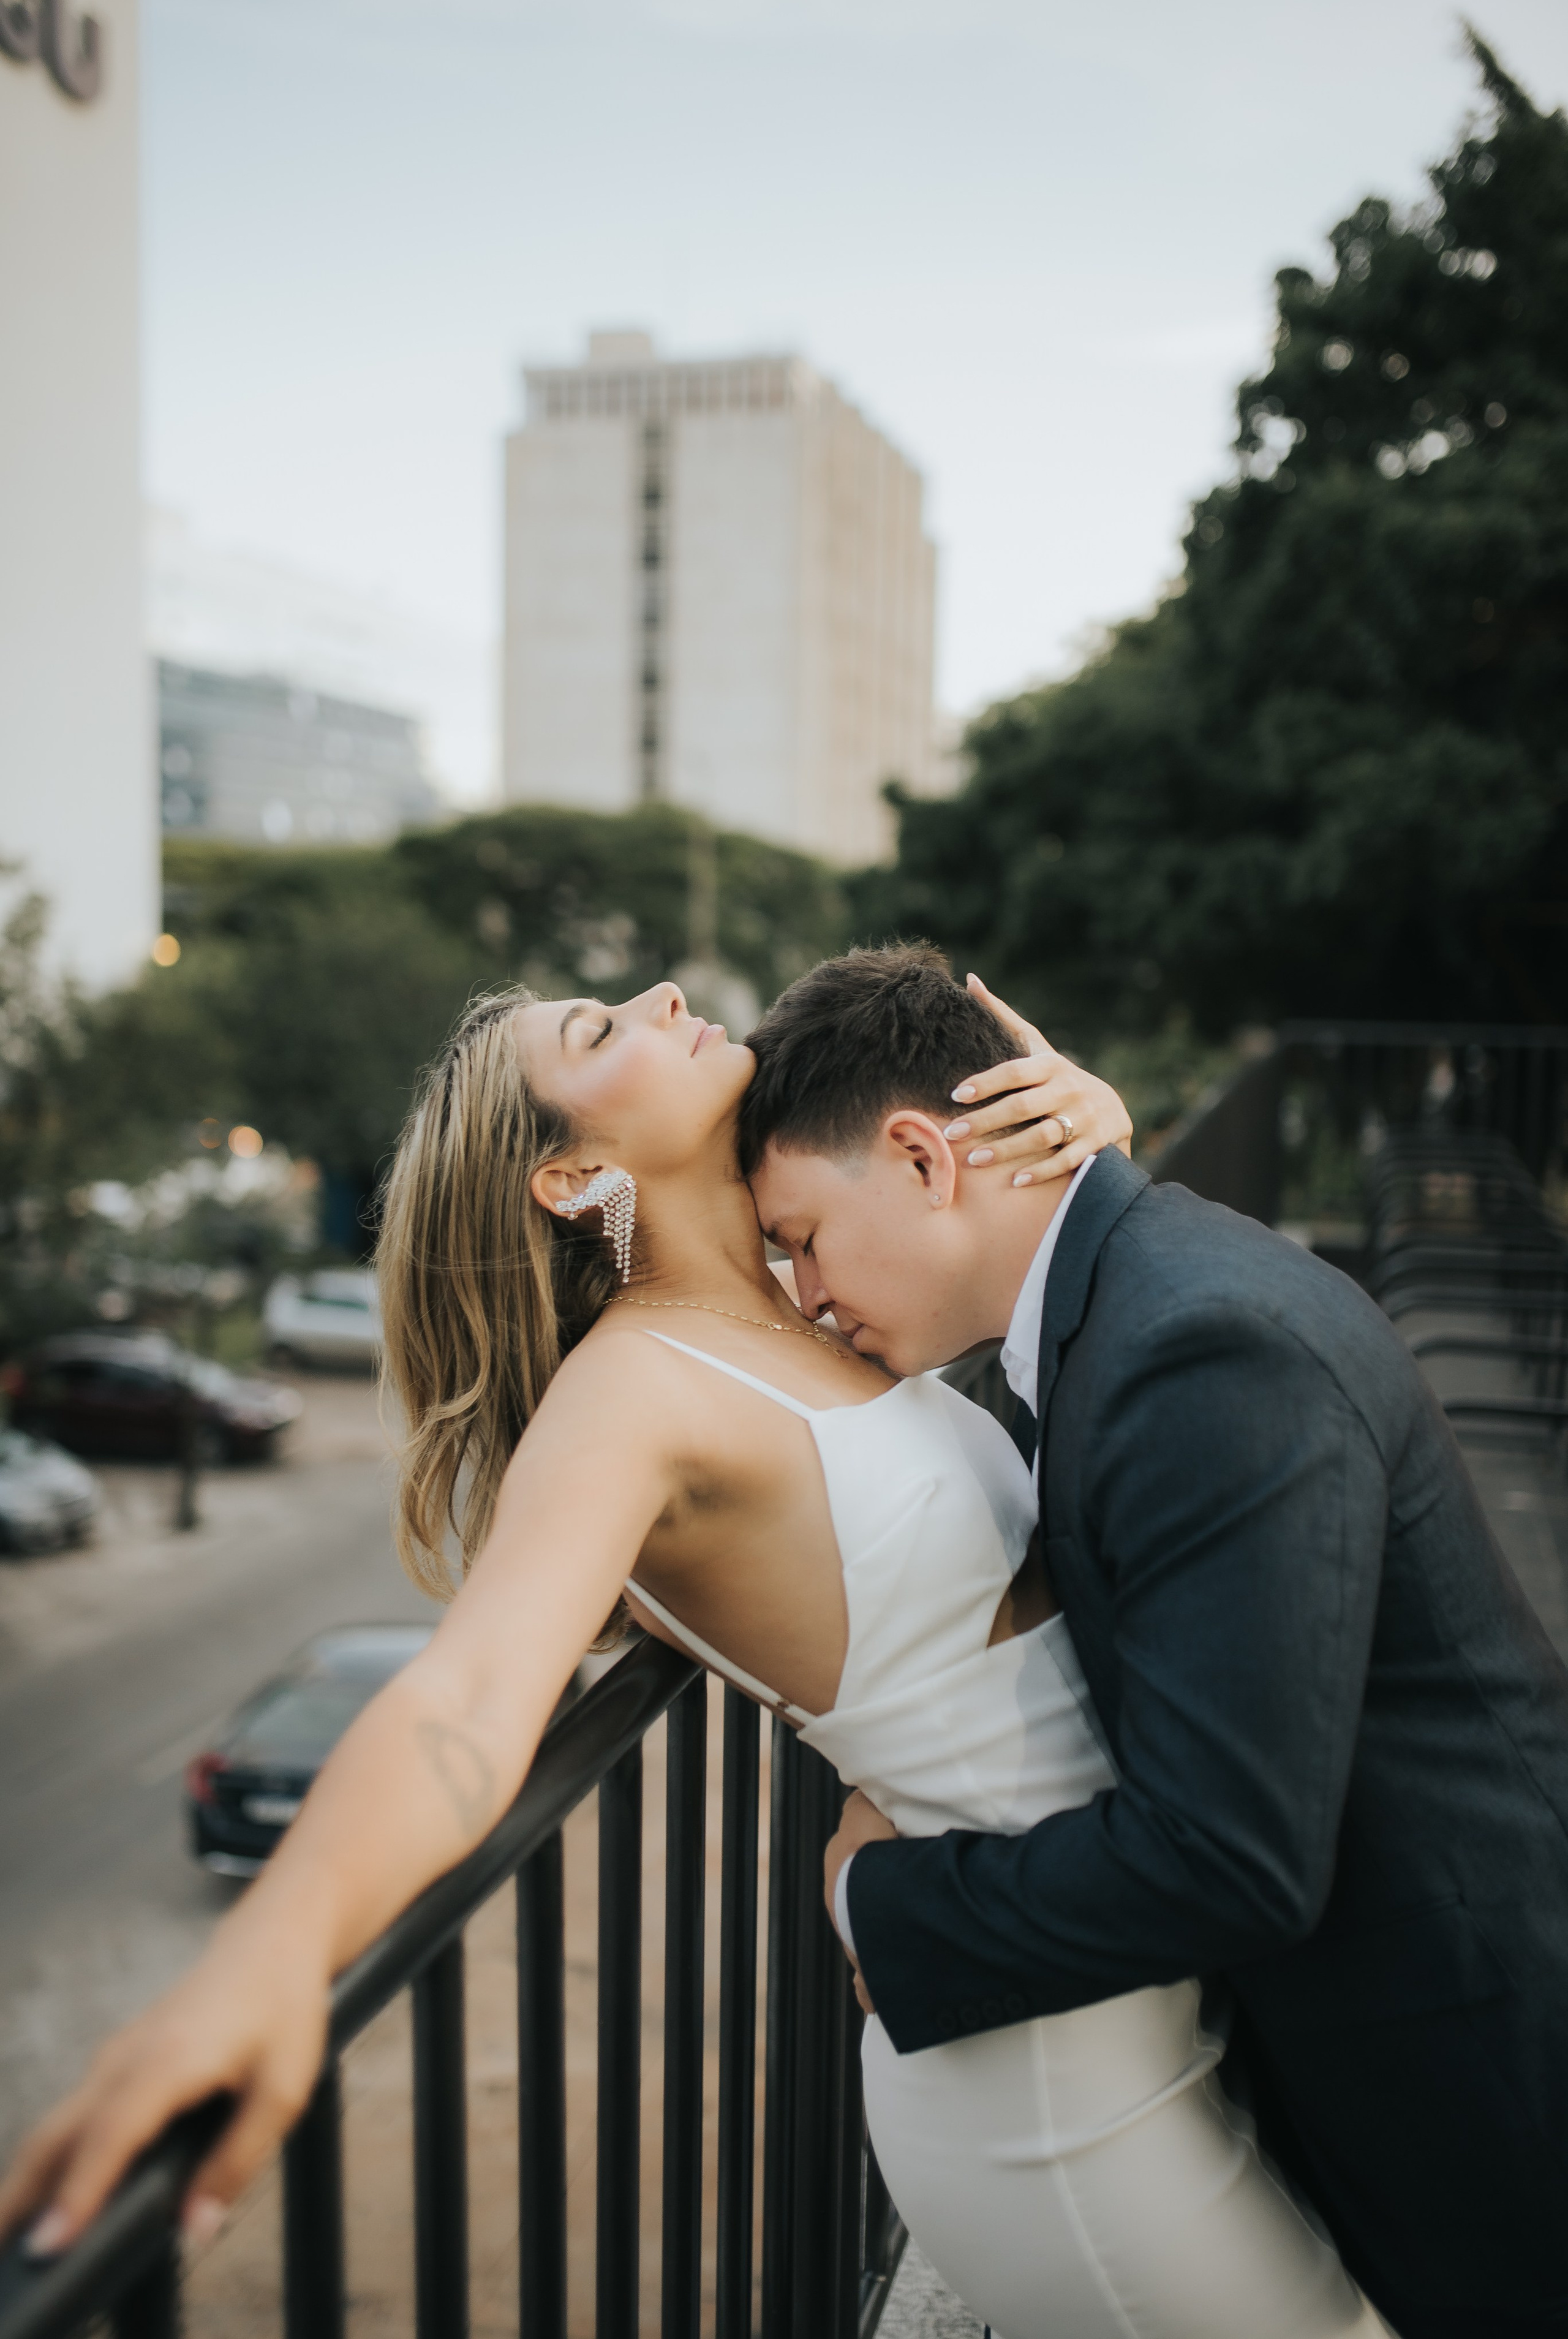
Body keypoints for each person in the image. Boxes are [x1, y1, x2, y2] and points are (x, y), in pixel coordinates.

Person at [0, 962, 1392, 2339]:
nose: (668, 994)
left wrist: (1078, 1143)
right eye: (603, 1029)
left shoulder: (806, 1297)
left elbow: (1029, 1340)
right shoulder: (634, 1386)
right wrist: (270, 1957)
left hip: (1134, 1962)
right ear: (565, 1177)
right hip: (1052, 2088)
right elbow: (474, 1691)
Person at [745, 946, 1568, 2339]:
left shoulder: (1197, 1345)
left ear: (918, 1155)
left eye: (800, 1238)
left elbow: (1233, 1854)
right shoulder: (1127, 1295)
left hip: (1483, 2078)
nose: (801, 1295)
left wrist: (881, 1905)